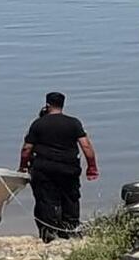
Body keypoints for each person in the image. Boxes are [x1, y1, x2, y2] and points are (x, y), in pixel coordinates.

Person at [18, 92, 99, 243]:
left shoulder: (38, 124)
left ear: (47, 105)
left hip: (44, 169)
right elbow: (86, 146)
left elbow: (26, 149)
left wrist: (23, 166)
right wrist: (92, 167)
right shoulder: (74, 123)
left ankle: (48, 233)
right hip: (68, 168)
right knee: (70, 198)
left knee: (45, 200)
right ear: (63, 105)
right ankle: (71, 230)